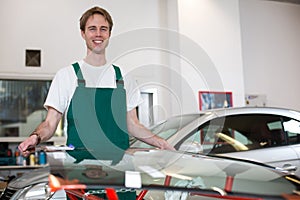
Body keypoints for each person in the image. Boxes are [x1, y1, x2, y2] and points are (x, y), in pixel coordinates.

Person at [18, 6, 174, 199]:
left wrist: (161, 142)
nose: (98, 34)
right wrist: (35, 137)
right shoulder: (67, 76)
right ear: (83, 33)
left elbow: (132, 124)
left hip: (120, 173)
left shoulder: (123, 77)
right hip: (80, 173)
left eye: (103, 29)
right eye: (92, 28)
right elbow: (50, 124)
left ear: (109, 33)